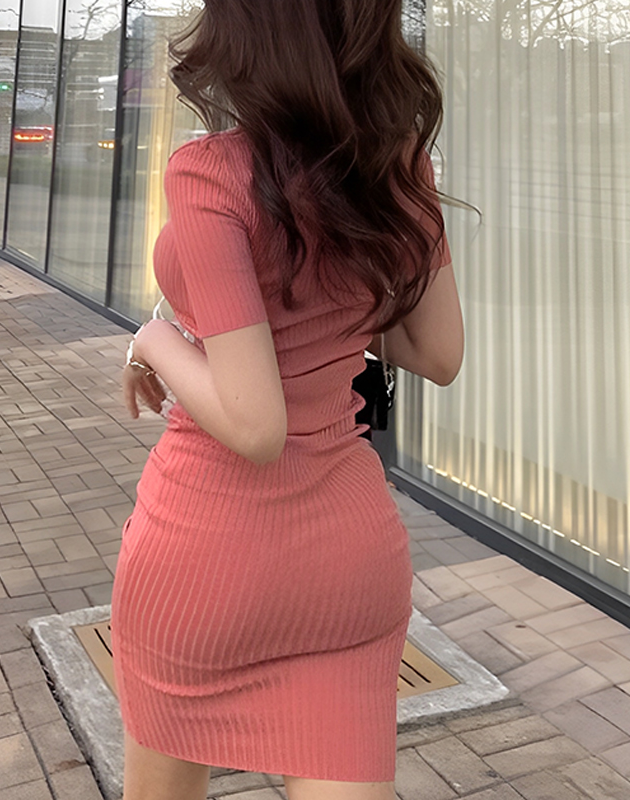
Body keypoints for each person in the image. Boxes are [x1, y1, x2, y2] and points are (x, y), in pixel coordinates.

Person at [111, 1, 464, 798]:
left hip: (206, 560)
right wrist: (338, 316)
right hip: (350, 562)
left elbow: (254, 425)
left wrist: (153, 339)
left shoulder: (211, 171)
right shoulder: (400, 163)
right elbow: (436, 353)